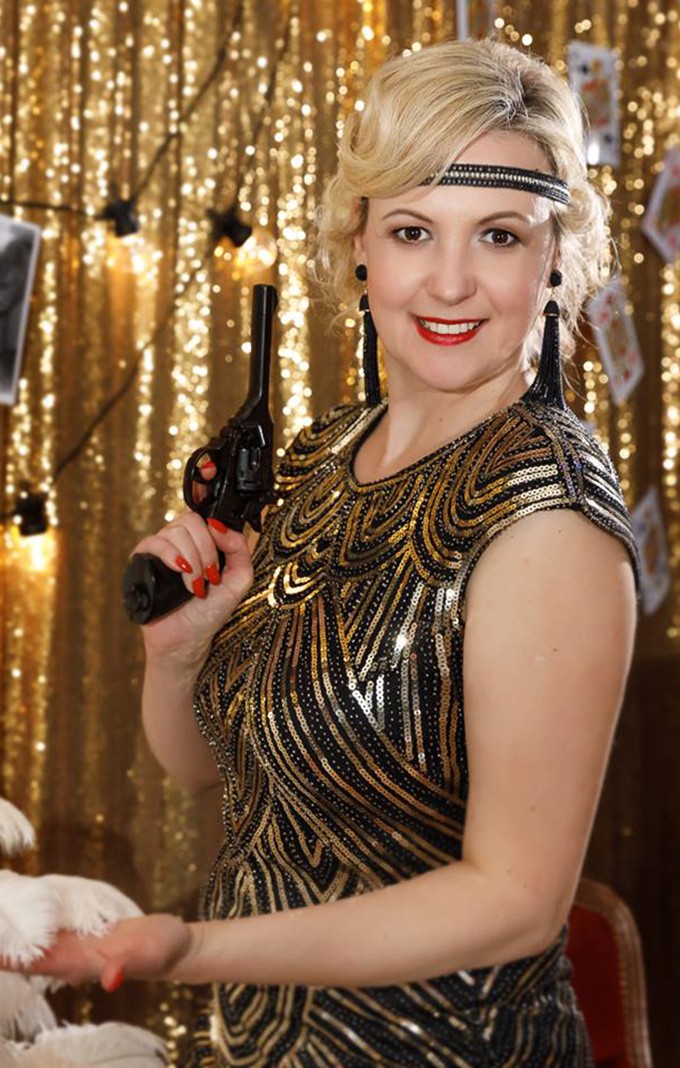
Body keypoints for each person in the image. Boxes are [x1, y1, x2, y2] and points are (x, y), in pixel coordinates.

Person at [5, 37, 640, 1067]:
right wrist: (180, 655)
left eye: (498, 236)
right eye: (411, 231)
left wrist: (193, 948)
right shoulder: (321, 457)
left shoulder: (547, 517)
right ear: (359, 246)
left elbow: (515, 902)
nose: (448, 283)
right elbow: (210, 770)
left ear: (555, 257)